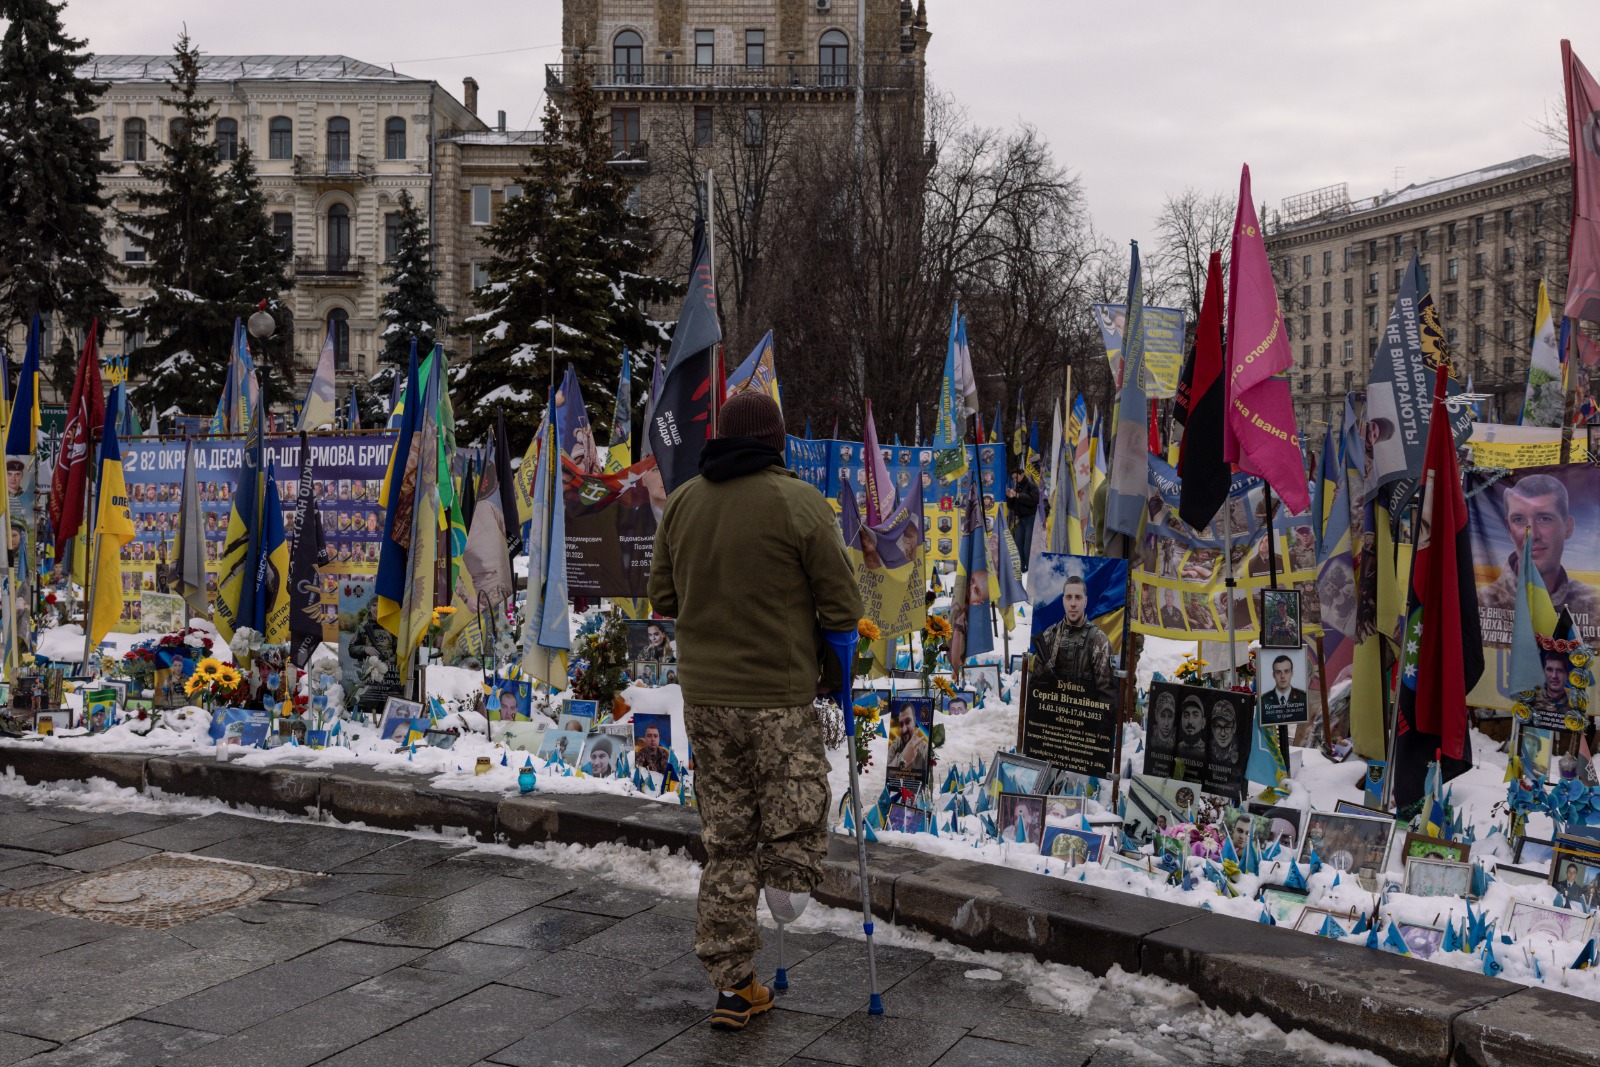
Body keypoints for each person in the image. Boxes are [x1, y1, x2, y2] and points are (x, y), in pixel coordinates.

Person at [648, 390, 861, 1030]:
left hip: (707, 704)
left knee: (727, 842)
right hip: (778, 699)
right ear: (776, 439)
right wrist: (832, 677)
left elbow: (663, 593)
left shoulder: (683, 502)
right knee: (795, 822)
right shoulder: (798, 503)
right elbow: (842, 608)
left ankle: (734, 988)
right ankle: (785, 888)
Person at [1479, 475, 1600, 625]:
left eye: (1544, 518)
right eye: (1519, 519)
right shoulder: (1479, 602)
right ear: (1509, 529)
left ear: (1568, 527)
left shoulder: (1594, 605)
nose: (1533, 535)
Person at [1032, 574, 1114, 704]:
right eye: (1069, 597)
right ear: (1063, 600)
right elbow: (1035, 687)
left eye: (1078, 598)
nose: (1073, 604)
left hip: (1086, 717)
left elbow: (1106, 697)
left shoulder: (1099, 641)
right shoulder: (1049, 636)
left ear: (1085, 601)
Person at [887, 701, 929, 775]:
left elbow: (929, 781)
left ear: (914, 722)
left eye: (908, 722)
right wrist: (903, 758)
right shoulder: (895, 745)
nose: (904, 730)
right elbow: (888, 775)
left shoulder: (924, 748)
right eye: (901, 724)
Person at [1007, 469, 1038, 566]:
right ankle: (1020, 567)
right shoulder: (1016, 488)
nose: (1015, 480)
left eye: (1016, 477)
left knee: (1027, 545)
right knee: (1018, 544)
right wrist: (1010, 497)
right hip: (1019, 519)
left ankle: (1029, 566)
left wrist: (1018, 495)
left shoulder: (1031, 486)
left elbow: (1033, 500)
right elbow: (1011, 506)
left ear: (1022, 474)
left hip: (1030, 518)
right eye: (1013, 479)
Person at [1175, 693, 1207, 764]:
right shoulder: (1175, 749)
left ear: (1203, 723)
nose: (1190, 721)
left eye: (1195, 715)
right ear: (1181, 720)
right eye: (1186, 715)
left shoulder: (1208, 752)